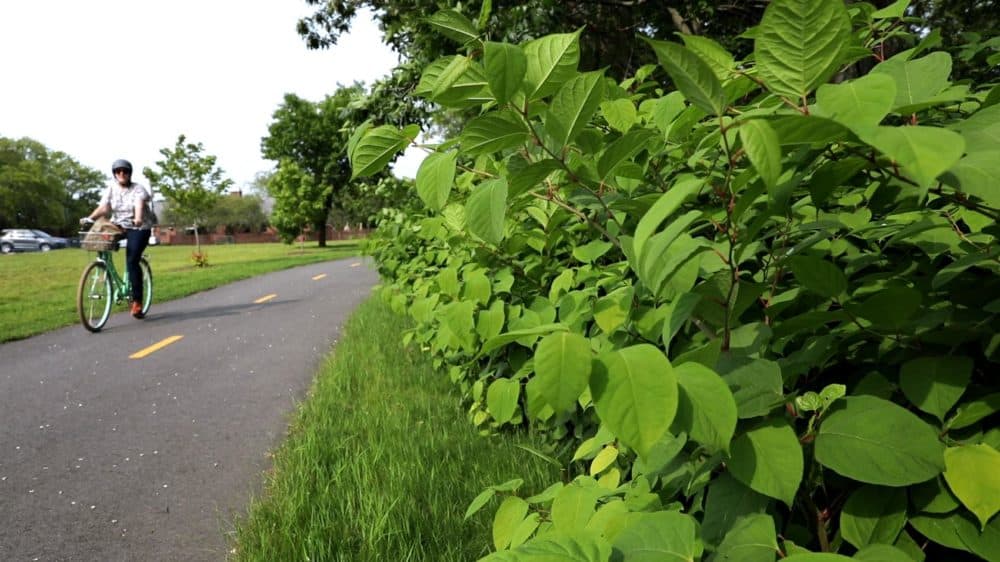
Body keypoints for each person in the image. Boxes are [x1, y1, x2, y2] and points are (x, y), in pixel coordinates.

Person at [81, 159, 154, 319]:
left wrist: (138, 218)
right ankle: (103, 267)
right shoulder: (111, 188)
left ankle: (137, 302)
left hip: (139, 227)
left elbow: (139, 204)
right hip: (119, 225)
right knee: (99, 239)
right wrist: (90, 218)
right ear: (114, 174)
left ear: (129, 173)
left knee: (132, 260)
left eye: (125, 171)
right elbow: (105, 207)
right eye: (118, 171)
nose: (121, 174)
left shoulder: (138, 189)